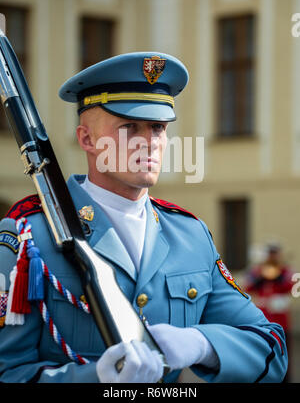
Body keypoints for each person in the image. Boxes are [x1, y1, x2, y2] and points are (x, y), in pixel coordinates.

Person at [0, 52, 287, 383]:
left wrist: (201, 345)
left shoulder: (191, 236)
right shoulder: (28, 237)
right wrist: (96, 378)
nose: (148, 143)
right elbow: (9, 372)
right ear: (87, 139)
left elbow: (271, 350)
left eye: (157, 128)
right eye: (129, 127)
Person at [245, 243, 294, 382]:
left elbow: (294, 286)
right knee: (262, 353)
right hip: (263, 320)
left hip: (281, 322)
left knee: (283, 353)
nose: (272, 257)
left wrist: (280, 279)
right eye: (270, 254)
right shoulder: (257, 271)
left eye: (275, 254)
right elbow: (247, 286)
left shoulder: (286, 271)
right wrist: (260, 279)